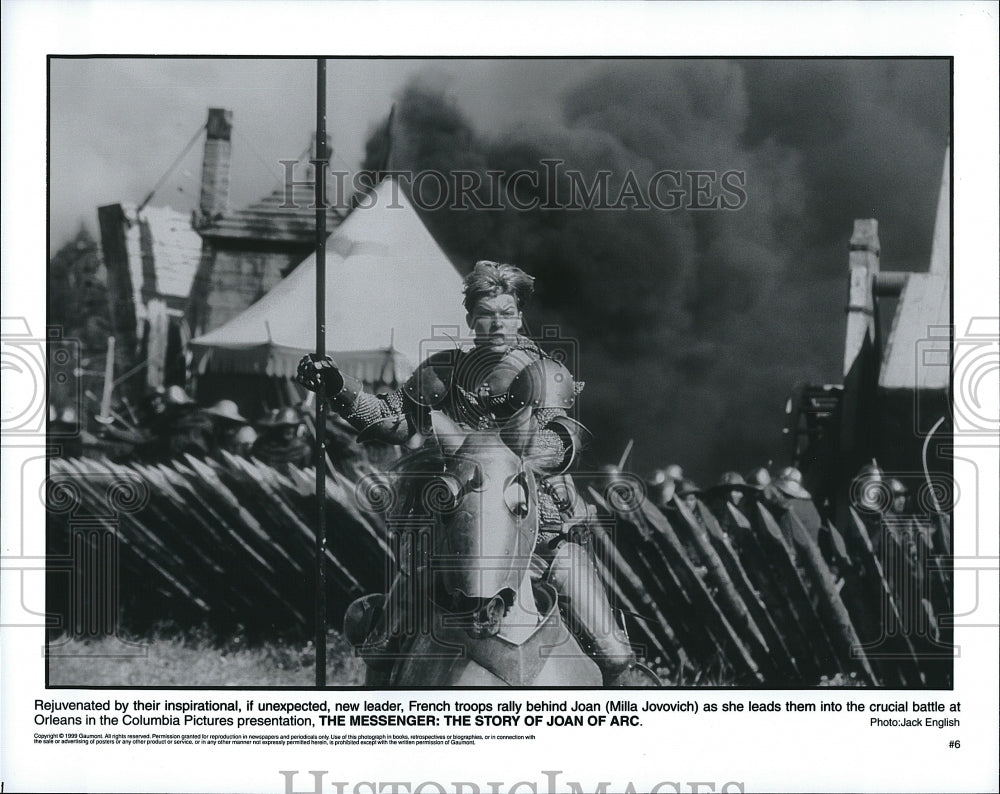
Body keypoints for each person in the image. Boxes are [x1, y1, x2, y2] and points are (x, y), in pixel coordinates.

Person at [297, 260, 634, 684]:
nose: (497, 324)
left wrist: (525, 454)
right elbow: (393, 421)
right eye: (487, 314)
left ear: (520, 316)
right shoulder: (443, 373)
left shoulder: (545, 374)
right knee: (381, 651)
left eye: (506, 313)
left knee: (616, 654)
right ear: (471, 319)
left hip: (539, 536)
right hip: (450, 538)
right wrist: (338, 388)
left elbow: (561, 439)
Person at [251, 406, 312, 472]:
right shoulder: (262, 447)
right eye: (285, 426)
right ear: (277, 427)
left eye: (292, 426)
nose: (290, 430)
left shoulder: (303, 449)